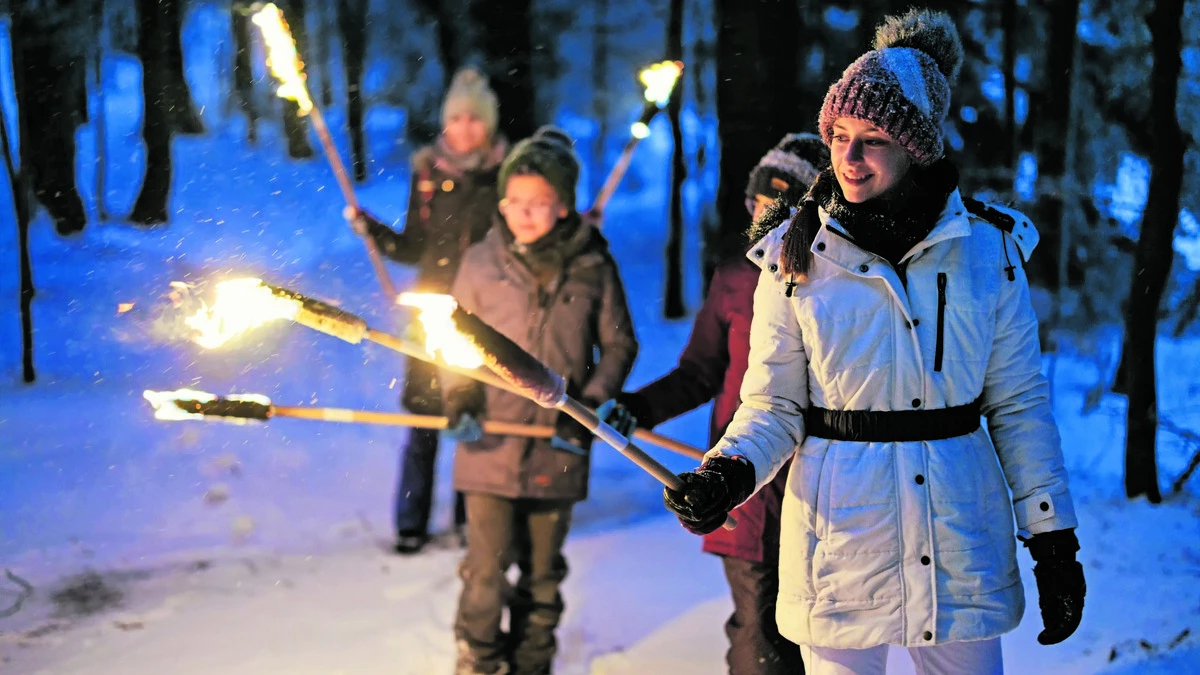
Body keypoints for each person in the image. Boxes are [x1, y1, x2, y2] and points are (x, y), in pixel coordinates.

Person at [660, 9, 1086, 674]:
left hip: (959, 546)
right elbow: (772, 406)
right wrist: (730, 470)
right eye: (839, 136)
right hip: (840, 547)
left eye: (873, 139)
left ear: (915, 146)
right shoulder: (792, 256)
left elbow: (1019, 406)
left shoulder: (987, 252)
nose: (848, 157)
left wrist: (1053, 541)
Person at [599, 133, 828, 675]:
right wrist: (638, 407)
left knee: (822, 638)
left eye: (783, 203)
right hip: (741, 484)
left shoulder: (837, 283)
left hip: (819, 485)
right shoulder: (733, 280)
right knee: (761, 636)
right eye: (757, 202)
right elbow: (700, 371)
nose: (764, 214)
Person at [441, 126, 638, 675]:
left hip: (559, 443)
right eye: (515, 202)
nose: (524, 214)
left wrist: (588, 410)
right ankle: (478, 660)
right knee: (483, 570)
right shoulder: (479, 263)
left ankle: (532, 662)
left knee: (542, 572)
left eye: (539, 203)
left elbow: (620, 343)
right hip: (490, 444)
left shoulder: (592, 265)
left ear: (564, 206)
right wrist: (460, 399)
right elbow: (449, 343)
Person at [350, 66, 508, 554]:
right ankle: (411, 522)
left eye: (474, 120)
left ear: (489, 124)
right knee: (424, 415)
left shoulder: (506, 173)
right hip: (430, 308)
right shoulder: (427, 174)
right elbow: (414, 246)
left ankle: (470, 518)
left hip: (484, 312)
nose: (464, 129)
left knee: (472, 414)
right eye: (456, 119)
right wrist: (374, 231)